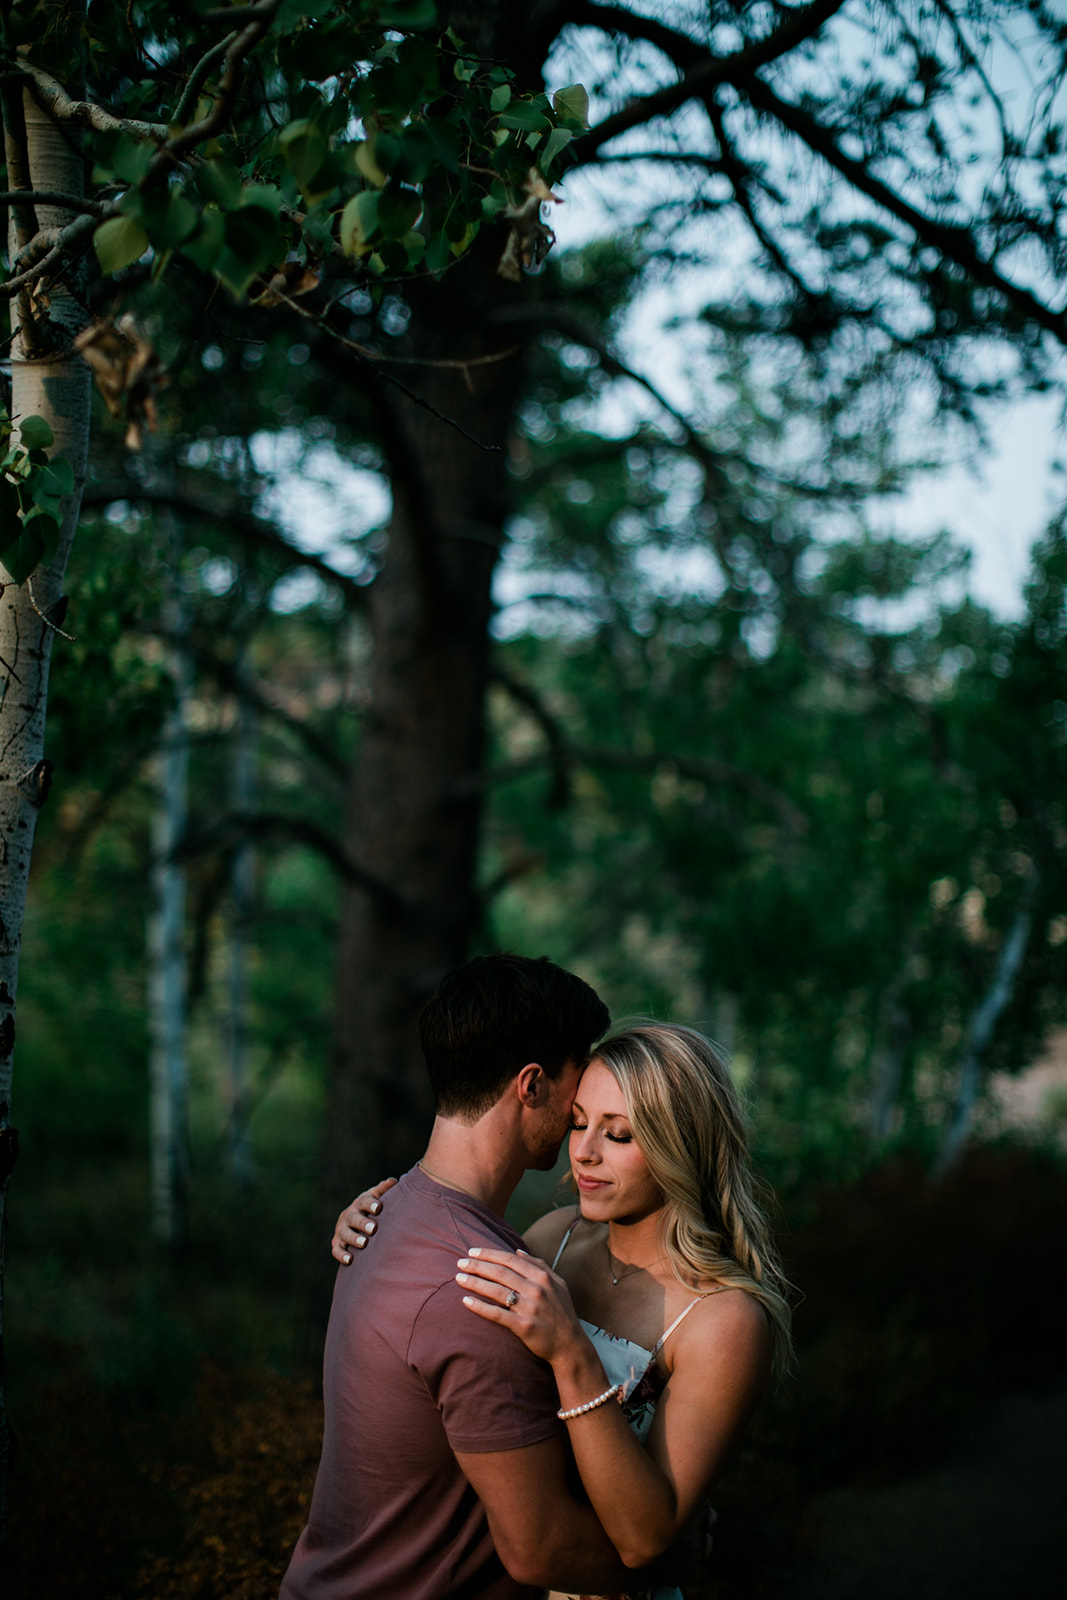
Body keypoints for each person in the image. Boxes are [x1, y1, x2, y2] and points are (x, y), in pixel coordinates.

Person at [334, 1021, 793, 1600]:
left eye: (618, 1134)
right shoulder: (551, 1239)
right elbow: (444, 1306)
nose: (582, 1152)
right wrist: (379, 1223)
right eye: (578, 1123)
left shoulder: (723, 1320)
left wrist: (573, 1355)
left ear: (682, 1145)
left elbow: (645, 1539)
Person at [281, 953, 690, 1600]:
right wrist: (679, 1562)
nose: (585, 1093)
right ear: (531, 1085)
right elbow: (539, 1550)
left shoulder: (389, 1213)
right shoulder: (480, 1289)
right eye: (577, 1072)